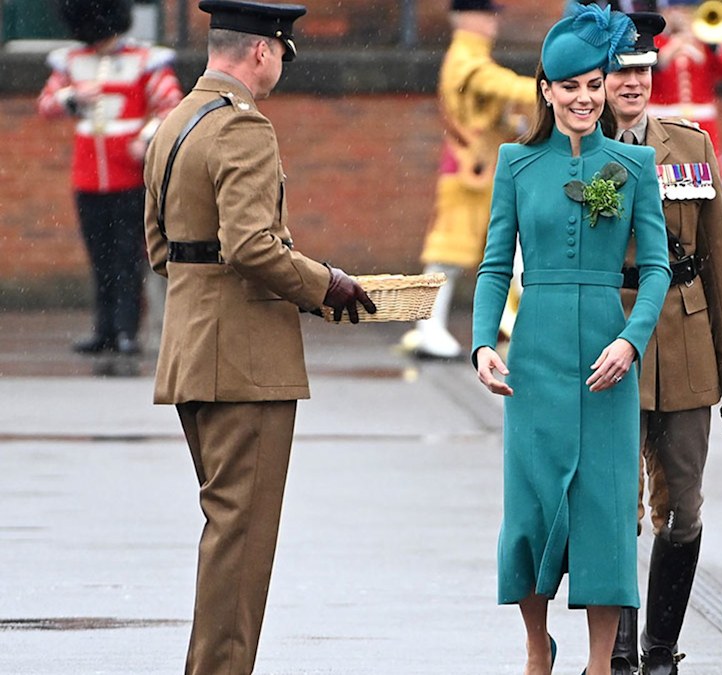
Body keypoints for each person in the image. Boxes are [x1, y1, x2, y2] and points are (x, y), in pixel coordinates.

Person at [142, 2, 375, 672]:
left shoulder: (175, 123)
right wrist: (325, 282)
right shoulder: (244, 130)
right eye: (280, 55)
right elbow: (251, 246)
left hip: (191, 349)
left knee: (226, 531)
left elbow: (161, 251)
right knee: (241, 543)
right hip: (245, 360)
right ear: (262, 52)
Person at [470, 3, 670, 673]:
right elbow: (497, 262)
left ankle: (596, 662)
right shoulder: (516, 165)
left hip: (609, 358)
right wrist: (481, 344)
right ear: (547, 90)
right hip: (536, 356)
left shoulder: (633, 166)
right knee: (529, 510)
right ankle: (535, 644)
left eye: (594, 84)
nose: (584, 98)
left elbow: (659, 268)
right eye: (570, 86)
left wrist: (632, 341)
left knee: (606, 512)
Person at [601, 11, 722, 675]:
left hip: (688, 335)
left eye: (641, 69)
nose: (632, 82)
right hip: (607, 333)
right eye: (618, 71)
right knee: (614, 508)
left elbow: (721, 261)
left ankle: (660, 649)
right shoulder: (573, 148)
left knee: (683, 508)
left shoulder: (688, 147)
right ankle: (618, 649)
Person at [37, 0, 182, 356]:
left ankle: (126, 331)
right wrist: (72, 95)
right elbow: (46, 105)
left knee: (127, 258)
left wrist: (146, 137)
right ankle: (104, 330)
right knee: (99, 257)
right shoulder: (71, 63)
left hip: (129, 176)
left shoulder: (144, 60)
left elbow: (172, 105)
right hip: (87, 177)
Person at [399, 0, 537, 359]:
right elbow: (492, 84)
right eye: (488, 13)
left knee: (513, 248)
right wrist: (544, 88)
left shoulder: (471, 57)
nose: (494, 21)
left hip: (482, 169)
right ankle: (428, 326)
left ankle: (515, 323)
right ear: (469, 16)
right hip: (469, 171)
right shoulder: (466, 59)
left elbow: (489, 105)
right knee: (449, 252)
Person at [647, 0, 722, 183]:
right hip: (661, 127)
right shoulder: (655, 41)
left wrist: (715, 45)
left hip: (703, 128)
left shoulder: (707, 43)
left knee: (705, 184)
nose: (681, 14)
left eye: (687, 10)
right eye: (674, 9)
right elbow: (645, 70)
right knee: (663, 183)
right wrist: (669, 50)